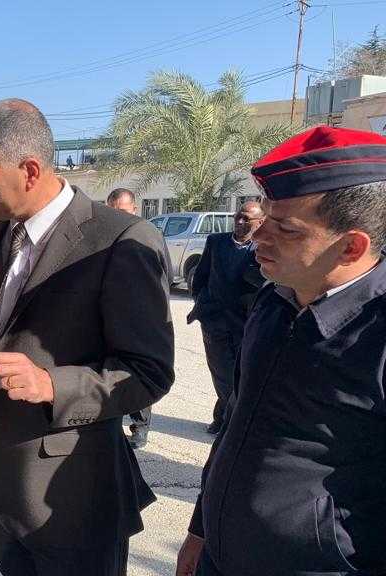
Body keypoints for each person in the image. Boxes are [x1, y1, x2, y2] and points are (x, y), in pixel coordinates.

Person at [0, 99, 174, 575]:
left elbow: (147, 372)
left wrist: (52, 384)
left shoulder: (120, 241)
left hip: (69, 500)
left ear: (29, 170)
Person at [176, 127, 386, 576]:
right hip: (220, 556)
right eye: (265, 218)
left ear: (351, 246)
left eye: (285, 228)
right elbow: (235, 421)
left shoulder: (377, 331)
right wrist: (200, 529)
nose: (259, 237)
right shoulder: (273, 301)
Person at [185, 200, 265, 435]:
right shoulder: (216, 242)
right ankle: (229, 422)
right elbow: (200, 276)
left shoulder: (264, 247)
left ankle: (223, 416)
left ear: (261, 222)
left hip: (246, 324)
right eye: (237, 216)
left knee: (241, 374)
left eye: (246, 219)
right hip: (215, 321)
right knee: (221, 373)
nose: (239, 221)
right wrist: (202, 302)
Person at [105, 187, 169, 448]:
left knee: (137, 372)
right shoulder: (105, 234)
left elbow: (163, 273)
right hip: (112, 315)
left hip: (141, 315)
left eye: (122, 210)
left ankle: (140, 426)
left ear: (134, 209)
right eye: (112, 210)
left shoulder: (147, 234)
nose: (117, 215)